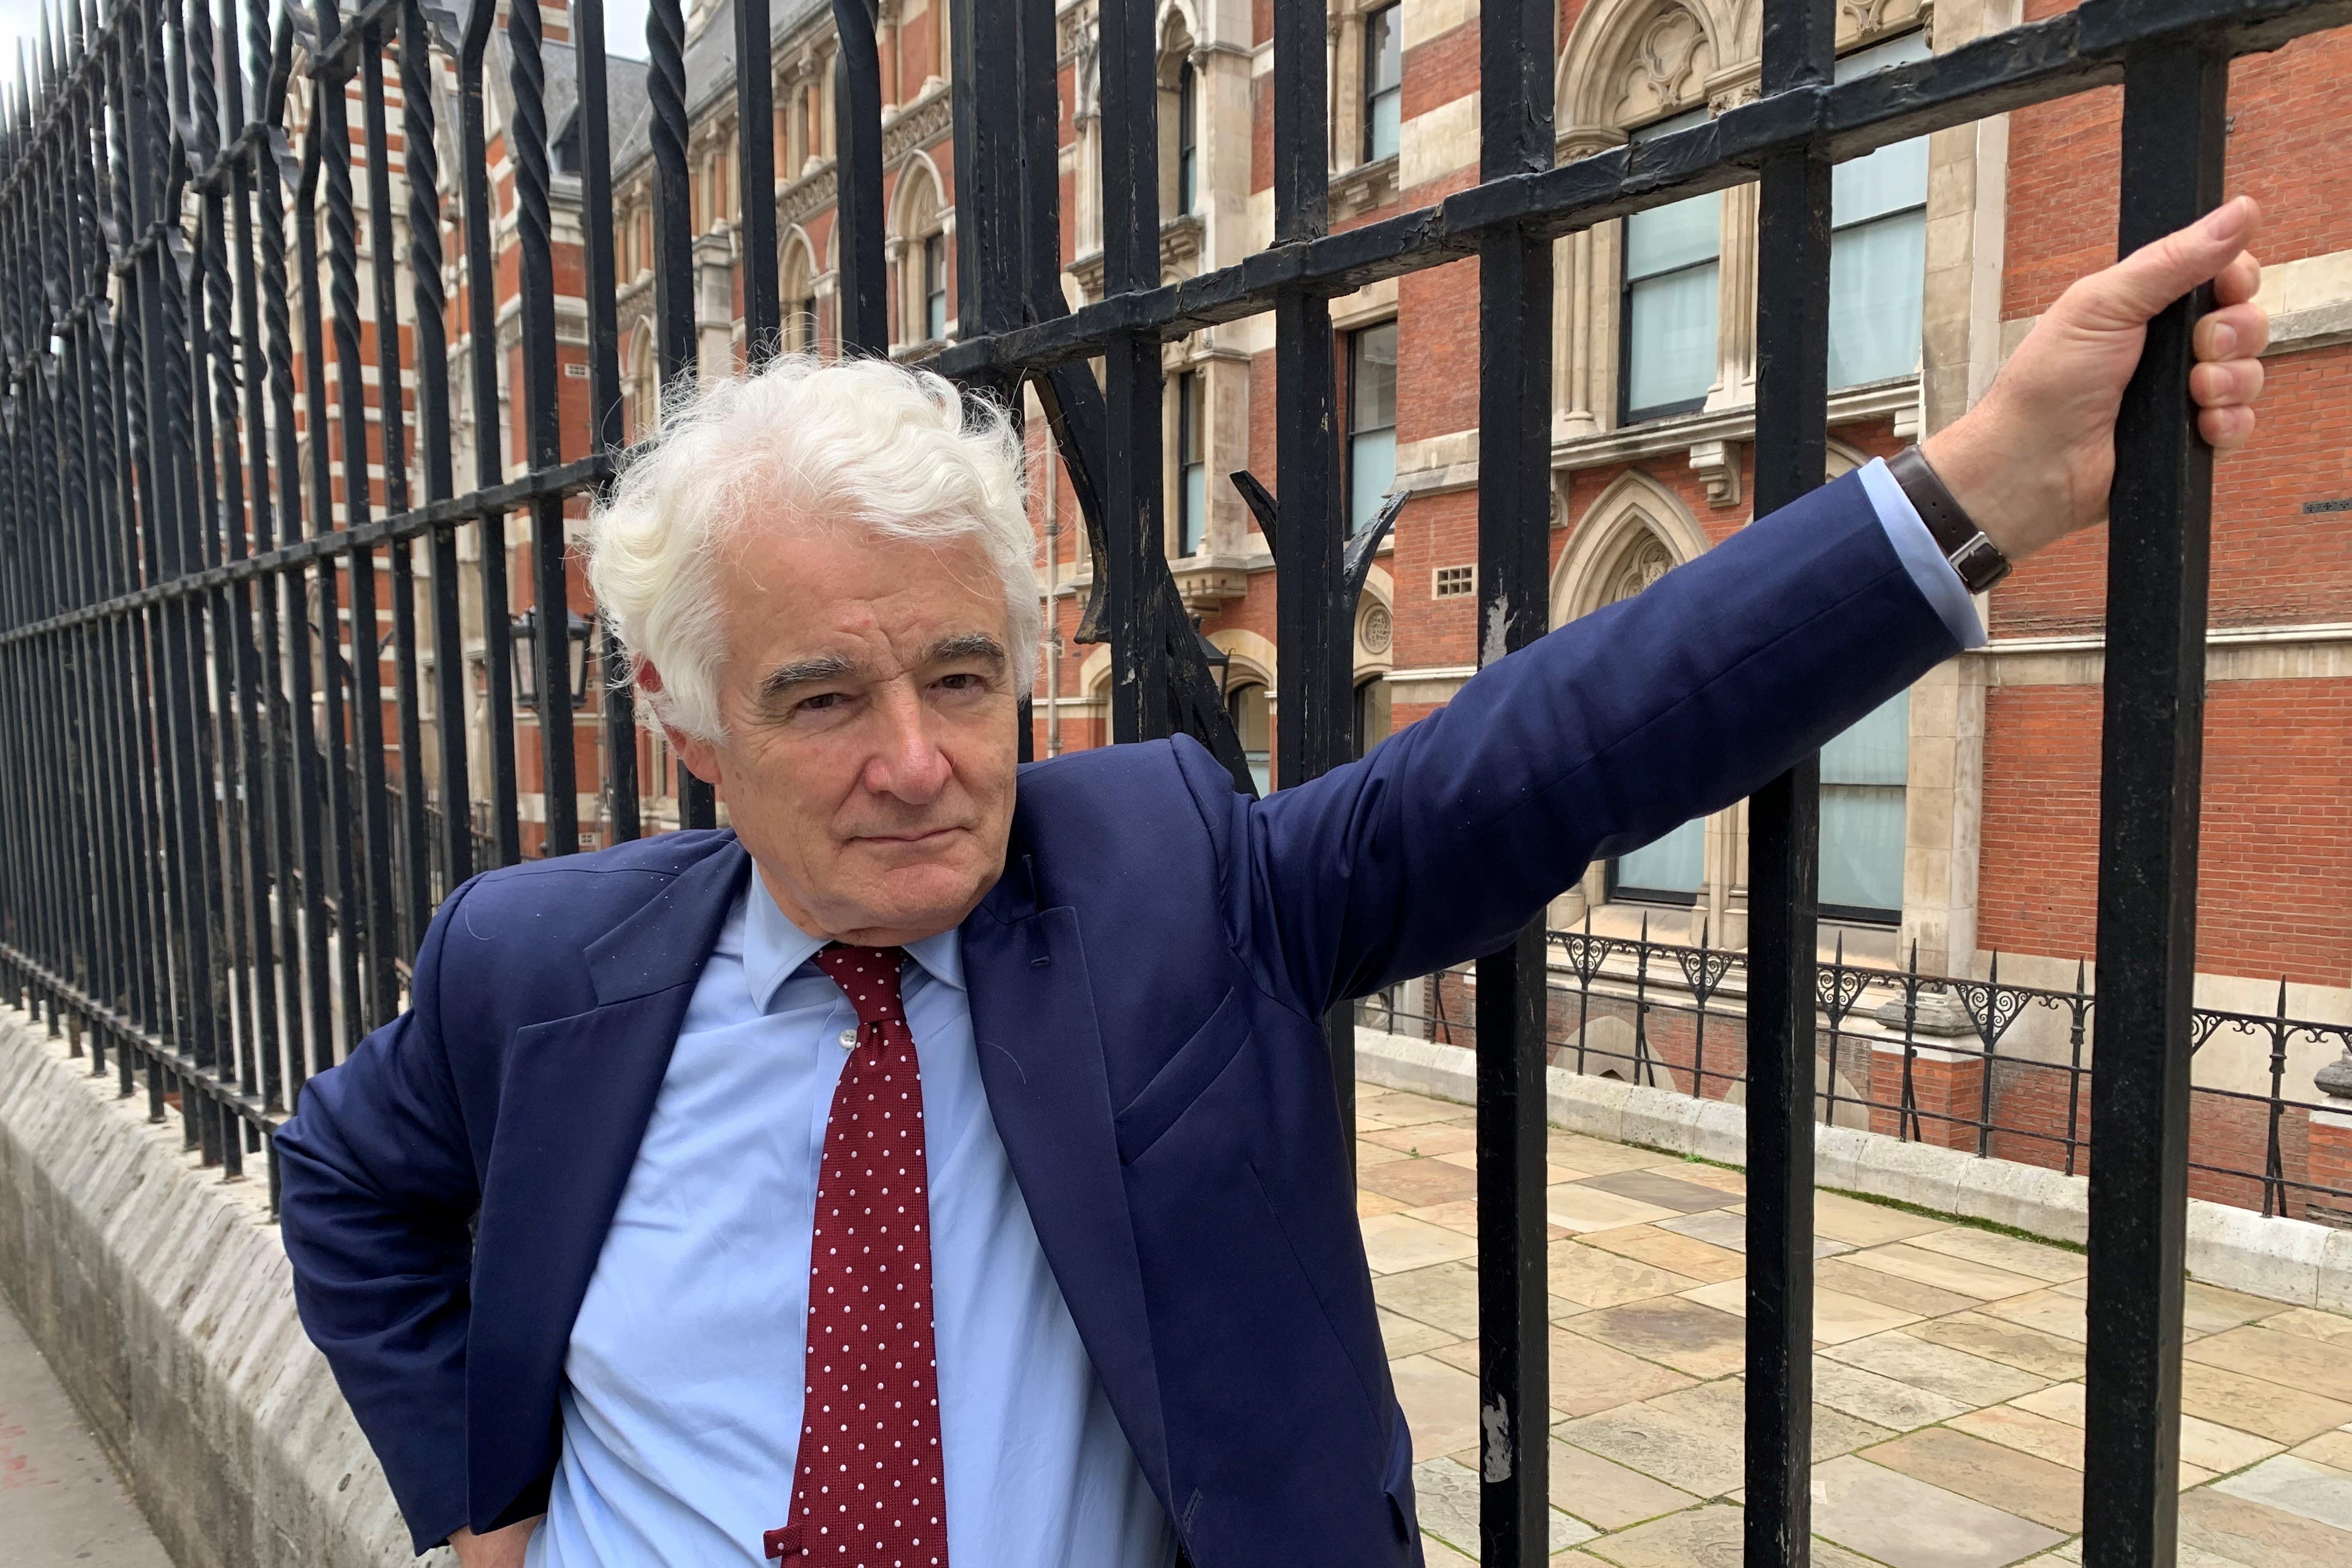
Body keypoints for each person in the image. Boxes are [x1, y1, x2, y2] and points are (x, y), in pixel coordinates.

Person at [275, 200, 2273, 1568]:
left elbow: (1556, 745)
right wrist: (477, 1493)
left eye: (964, 676)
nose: (919, 761)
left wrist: (1984, 483)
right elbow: (343, 1179)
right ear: (682, 717)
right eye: (821, 697)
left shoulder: (1162, 880)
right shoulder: (530, 964)